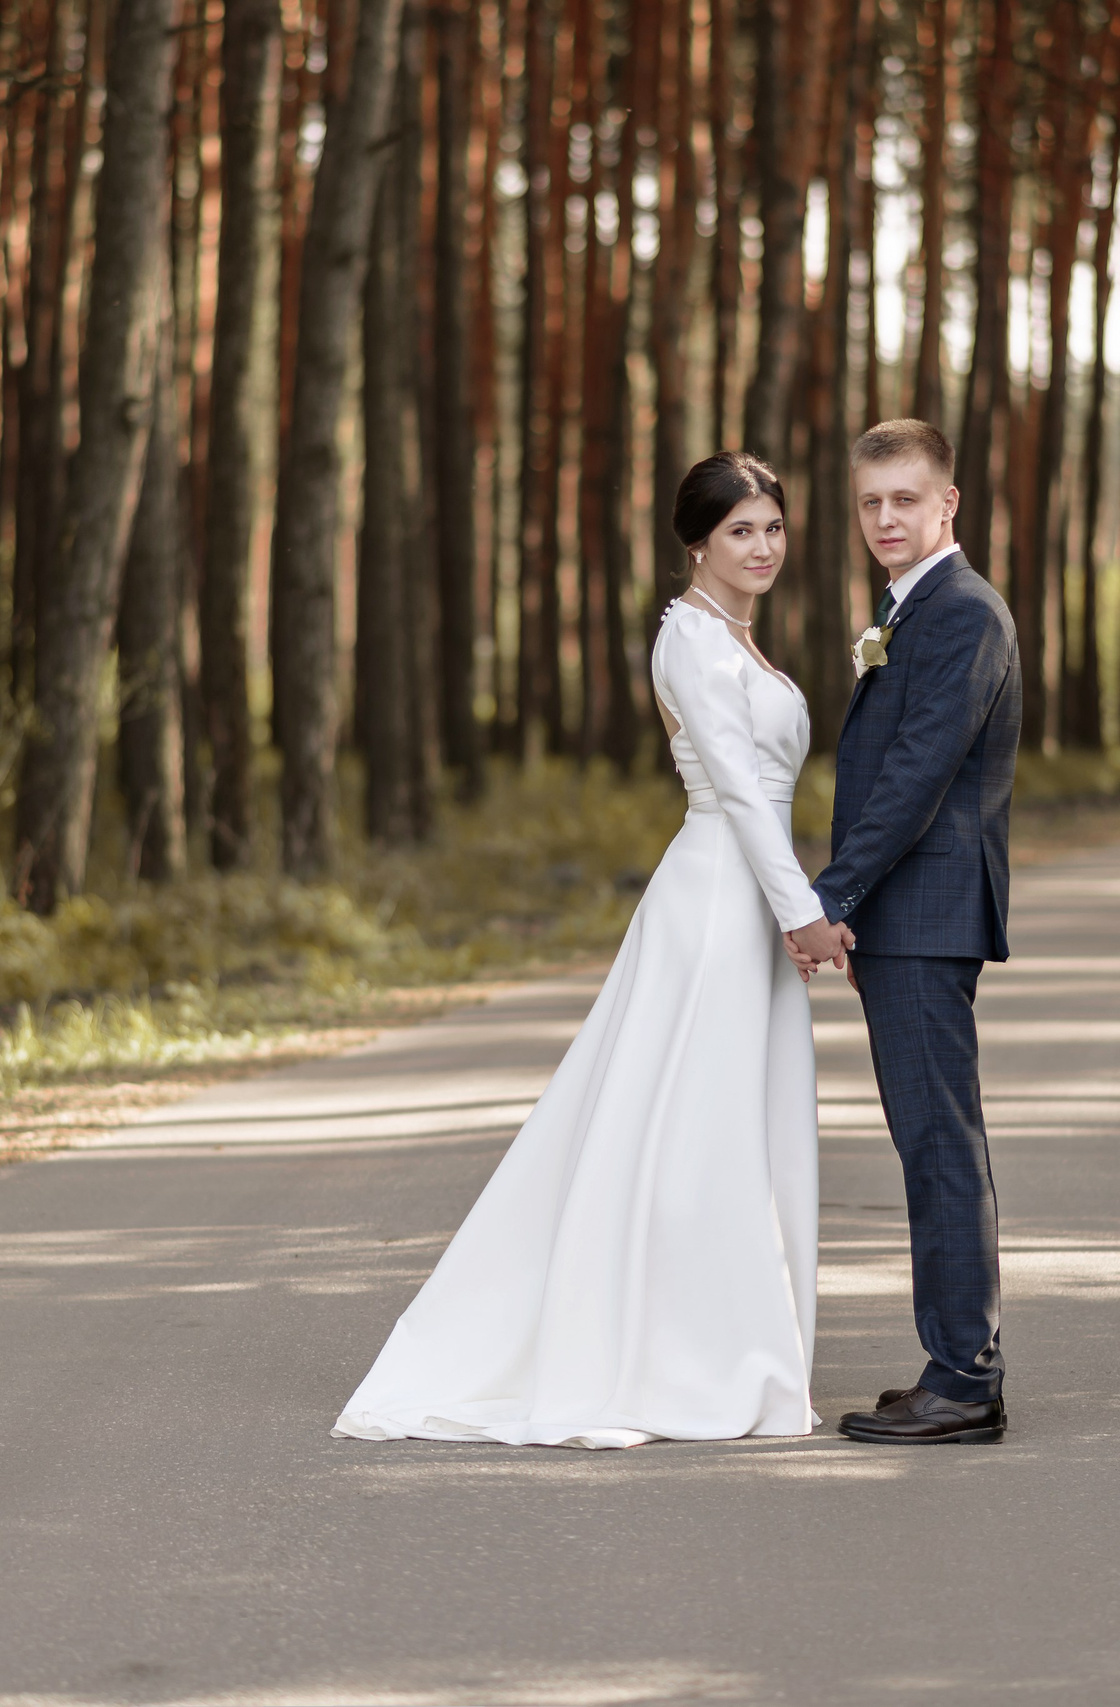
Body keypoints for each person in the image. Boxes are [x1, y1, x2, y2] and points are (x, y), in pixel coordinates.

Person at [333, 451, 835, 1449]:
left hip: (748, 887)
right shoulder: (690, 640)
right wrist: (800, 910)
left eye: (772, 527)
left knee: (733, 1119)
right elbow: (735, 785)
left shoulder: (737, 636)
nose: (763, 545)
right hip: (716, 894)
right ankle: (685, 1349)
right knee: (694, 1125)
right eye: (741, 530)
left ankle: (730, 1333)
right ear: (697, 543)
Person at [787, 417, 1019, 1446]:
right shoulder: (911, 610)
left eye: (906, 500)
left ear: (947, 505)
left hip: (924, 916)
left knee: (938, 1146)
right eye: (872, 502)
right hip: (906, 919)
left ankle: (964, 1382)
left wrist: (832, 896)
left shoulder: (962, 614)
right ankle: (953, 1364)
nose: (886, 519)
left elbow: (917, 775)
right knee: (930, 1141)